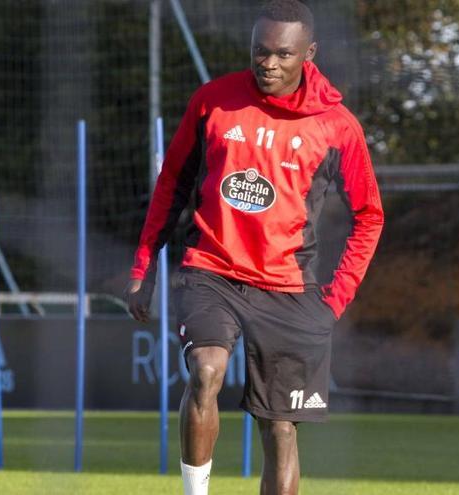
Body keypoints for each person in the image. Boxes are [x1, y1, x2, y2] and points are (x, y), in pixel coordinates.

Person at [127, 1, 383, 493]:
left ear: (309, 53)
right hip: (212, 269)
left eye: (282, 55)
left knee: (280, 429)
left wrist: (336, 299)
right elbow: (171, 186)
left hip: (290, 287)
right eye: (259, 52)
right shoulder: (212, 102)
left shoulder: (337, 126)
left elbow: (369, 216)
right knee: (206, 371)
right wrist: (144, 268)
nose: (268, 64)